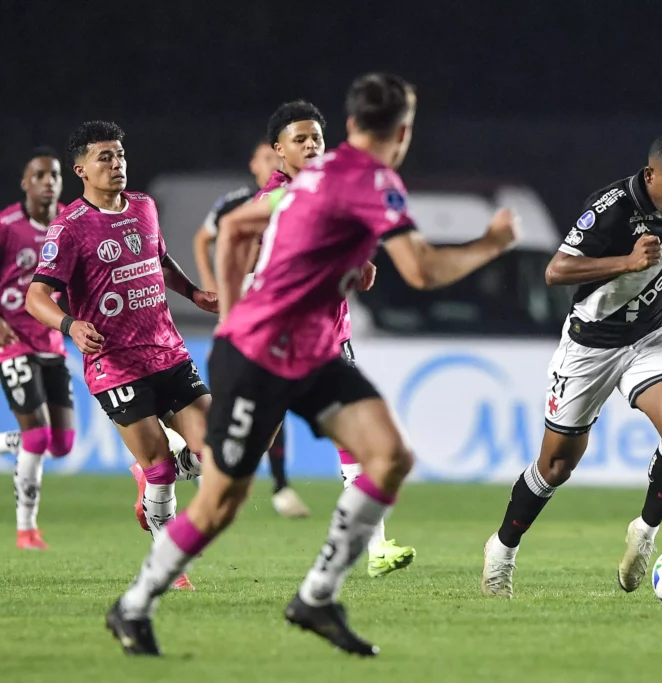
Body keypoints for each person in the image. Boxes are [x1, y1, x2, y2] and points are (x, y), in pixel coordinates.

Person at [105, 72, 519, 657]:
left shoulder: (318, 175)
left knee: (389, 455)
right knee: (222, 500)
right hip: (260, 355)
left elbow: (235, 227)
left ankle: (317, 597)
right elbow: (423, 271)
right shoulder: (376, 181)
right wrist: (492, 243)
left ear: (349, 127)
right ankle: (133, 604)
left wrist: (247, 298)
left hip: (314, 352)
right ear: (403, 131)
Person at [480, 134, 662, 598]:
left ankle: (645, 533)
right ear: (650, 175)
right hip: (591, 345)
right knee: (556, 466)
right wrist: (627, 262)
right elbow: (555, 271)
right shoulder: (611, 209)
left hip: (649, 337)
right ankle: (502, 550)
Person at [219, 100, 416, 575]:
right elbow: (243, 249)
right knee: (244, 451)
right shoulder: (275, 197)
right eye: (299, 139)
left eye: (316, 138)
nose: (310, 146)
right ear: (277, 150)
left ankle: (376, 549)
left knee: (359, 439)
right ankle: (171, 467)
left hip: (328, 337)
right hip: (280, 342)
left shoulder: (321, 188)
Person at [26, 121, 219, 589]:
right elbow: (36, 297)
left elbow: (159, 259)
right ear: (81, 170)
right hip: (116, 364)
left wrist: (192, 292)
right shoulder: (68, 229)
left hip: (168, 351)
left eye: (120, 156)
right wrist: (69, 325)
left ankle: (152, 484)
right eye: (104, 158)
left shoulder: (145, 207)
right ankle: (169, 565)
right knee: (160, 470)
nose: (116, 165)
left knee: (221, 453)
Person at [0, 147, 75, 550]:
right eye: (39, 175)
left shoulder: (70, 222)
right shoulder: (2, 227)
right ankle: (27, 530)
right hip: (12, 340)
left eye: (54, 175)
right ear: (25, 183)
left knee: (63, 444)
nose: (48, 182)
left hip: (52, 338)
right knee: (38, 437)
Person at [192, 135, 309, 518]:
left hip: (277, 321)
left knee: (264, 415)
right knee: (247, 408)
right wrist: (217, 289)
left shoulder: (295, 197)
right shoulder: (245, 203)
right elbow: (209, 239)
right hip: (247, 319)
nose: (267, 165)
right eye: (261, 158)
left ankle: (187, 465)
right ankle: (194, 468)